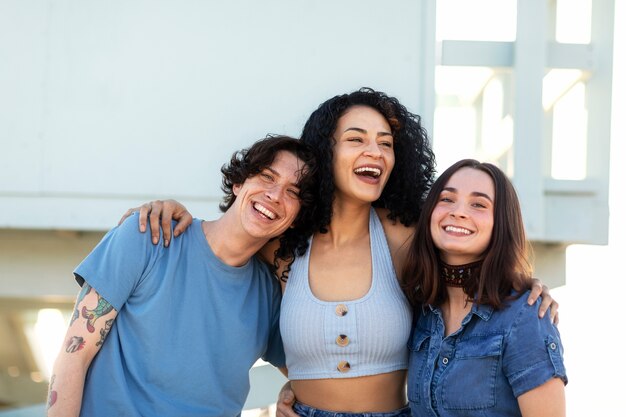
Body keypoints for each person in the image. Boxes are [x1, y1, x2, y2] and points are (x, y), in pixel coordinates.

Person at [127, 88, 558, 417]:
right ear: (326, 151)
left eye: (386, 143)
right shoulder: (282, 245)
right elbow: (218, 244)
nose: (374, 151)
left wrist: (526, 287)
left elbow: (466, 261)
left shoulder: (403, 238)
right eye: (356, 139)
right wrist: (167, 212)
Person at [46, 136, 318, 417]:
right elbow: (73, 357)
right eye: (266, 177)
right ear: (239, 183)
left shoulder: (271, 295)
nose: (275, 195)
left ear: (298, 217)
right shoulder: (147, 235)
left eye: (293, 192)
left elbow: (312, 376)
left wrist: (291, 388)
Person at [402, 159, 567, 417]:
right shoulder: (420, 307)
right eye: (446, 199)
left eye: (478, 204)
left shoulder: (525, 317)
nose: (458, 212)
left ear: (500, 223)